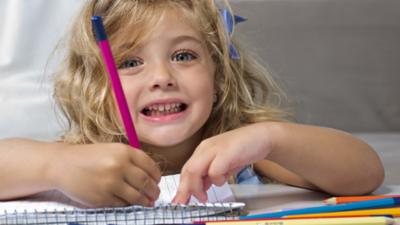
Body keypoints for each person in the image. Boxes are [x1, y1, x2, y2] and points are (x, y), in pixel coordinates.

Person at [0, 0, 384, 208]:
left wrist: (270, 137)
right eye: (131, 63)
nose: (162, 77)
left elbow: (365, 173)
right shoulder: (83, 159)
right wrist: (55, 166)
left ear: (218, 76)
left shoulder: (247, 152)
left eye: (184, 56)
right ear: (95, 87)